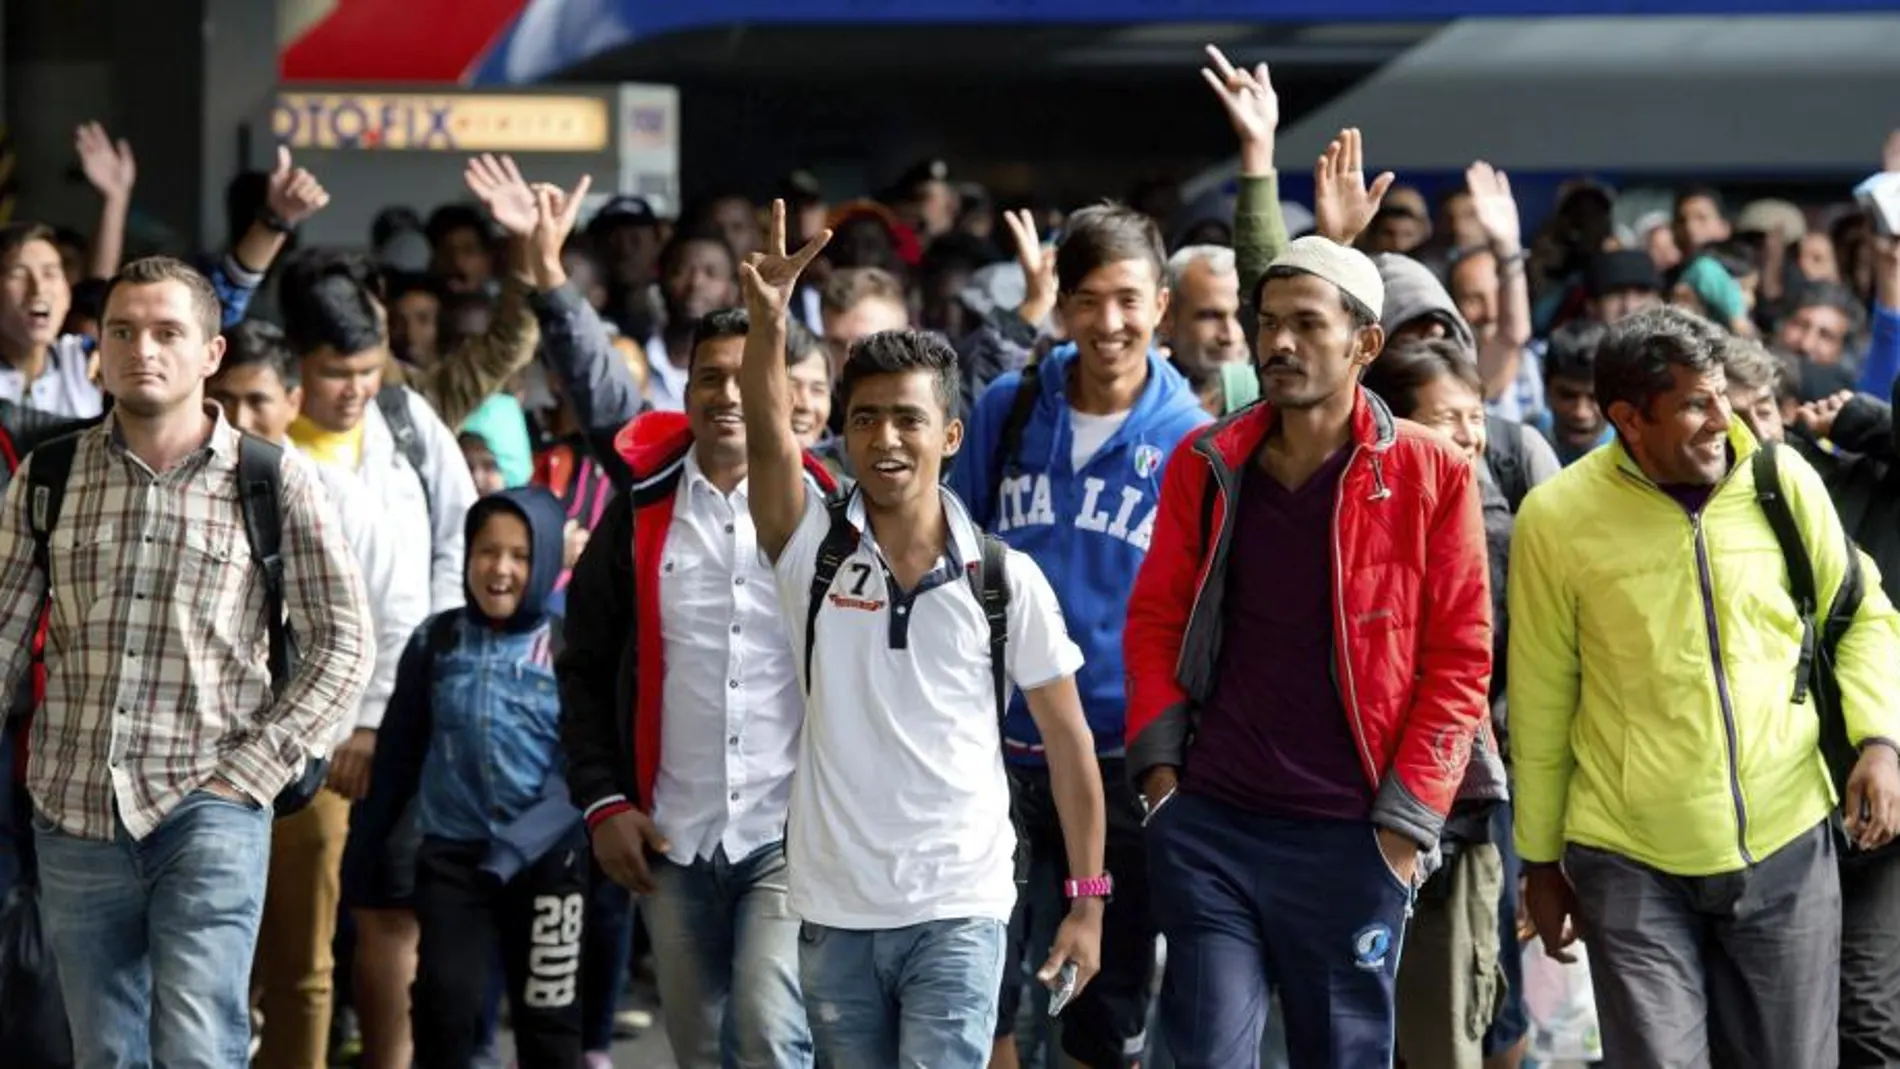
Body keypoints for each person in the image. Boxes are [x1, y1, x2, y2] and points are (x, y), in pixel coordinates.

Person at [739, 201, 1107, 1068]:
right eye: (864, 418)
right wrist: (766, 325)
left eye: (908, 419)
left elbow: (1070, 746)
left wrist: (1088, 900)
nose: (885, 438)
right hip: (834, 907)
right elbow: (764, 446)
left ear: (948, 435)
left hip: (962, 901)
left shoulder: (1004, 579)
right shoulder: (810, 551)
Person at [1124, 235, 1492, 1068]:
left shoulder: (1432, 472)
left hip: (1352, 831)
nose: (1280, 343)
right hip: (1214, 819)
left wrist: (1404, 825)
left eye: (1306, 325)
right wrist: (1161, 780)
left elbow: (1461, 657)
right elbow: (1155, 622)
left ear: (1365, 344)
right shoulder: (1209, 461)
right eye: (1269, 323)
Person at [0, 256, 375, 1067]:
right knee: (104, 1052)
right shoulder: (49, 476)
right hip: (73, 805)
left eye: (169, 332)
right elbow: (3, 635)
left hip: (209, 801)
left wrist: (252, 771)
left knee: (200, 1044)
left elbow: (345, 639)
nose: (144, 349)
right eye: (124, 331)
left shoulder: (273, 479)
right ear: (98, 348)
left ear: (211, 351)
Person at [1510, 306, 1900, 1069]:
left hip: (1787, 839)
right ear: (1628, 418)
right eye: (1695, 401)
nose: (1723, 417)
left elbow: (1863, 615)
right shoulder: (1556, 518)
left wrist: (1880, 740)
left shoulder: (1780, 480)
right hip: (1627, 855)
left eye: (1721, 392)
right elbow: (1542, 696)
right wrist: (1540, 862)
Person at [951, 203, 1208, 1069]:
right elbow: (957, 553)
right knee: (984, 986)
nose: (1110, 324)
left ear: (1162, 305)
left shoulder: (1192, 439)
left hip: (1122, 759)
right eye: (1090, 301)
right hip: (996, 750)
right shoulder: (1008, 406)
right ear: (1060, 307)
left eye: (1129, 300)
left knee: (1104, 1003)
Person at [559, 308, 834, 1069]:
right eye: (709, 376)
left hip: (792, 835)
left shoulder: (832, 512)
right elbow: (580, 665)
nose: (727, 393)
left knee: (771, 1029)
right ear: (685, 389)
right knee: (701, 1052)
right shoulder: (640, 512)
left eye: (746, 377)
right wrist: (603, 801)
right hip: (670, 834)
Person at [208, 321, 428, 1069]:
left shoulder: (331, 491)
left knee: (300, 963)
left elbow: (395, 615)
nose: (242, 418)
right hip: (197, 762)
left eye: (260, 400)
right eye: (227, 399)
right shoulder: (184, 488)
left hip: (309, 760)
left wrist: (362, 728)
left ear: (292, 399)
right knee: (203, 963)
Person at [348, 486, 585, 1069]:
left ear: (549, 561)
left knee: (549, 1023)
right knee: (442, 1009)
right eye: (486, 551)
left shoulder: (570, 647)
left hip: (550, 865)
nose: (500, 569)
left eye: (521, 555)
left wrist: (524, 847)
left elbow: (585, 769)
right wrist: (362, 860)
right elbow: (398, 759)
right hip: (453, 863)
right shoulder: (437, 640)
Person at [1360, 337, 1516, 1069]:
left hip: (1458, 817)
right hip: (1352, 812)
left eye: (1475, 415)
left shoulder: (1497, 530)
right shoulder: (1357, 521)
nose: (1467, 435)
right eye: (1445, 418)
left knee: (1447, 1023)